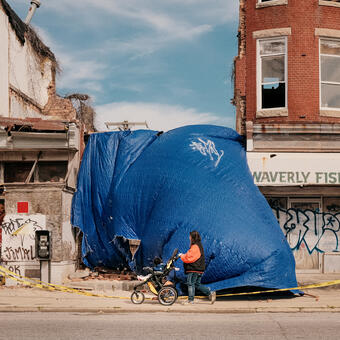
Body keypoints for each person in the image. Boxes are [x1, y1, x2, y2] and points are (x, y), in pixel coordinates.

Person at [179, 230, 216, 304]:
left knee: (190, 283)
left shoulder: (195, 246)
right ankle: (210, 293)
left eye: (190, 236)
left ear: (192, 237)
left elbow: (189, 257)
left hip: (194, 269)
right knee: (197, 284)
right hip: (199, 269)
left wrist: (181, 256)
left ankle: (190, 300)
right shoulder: (199, 245)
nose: (189, 238)